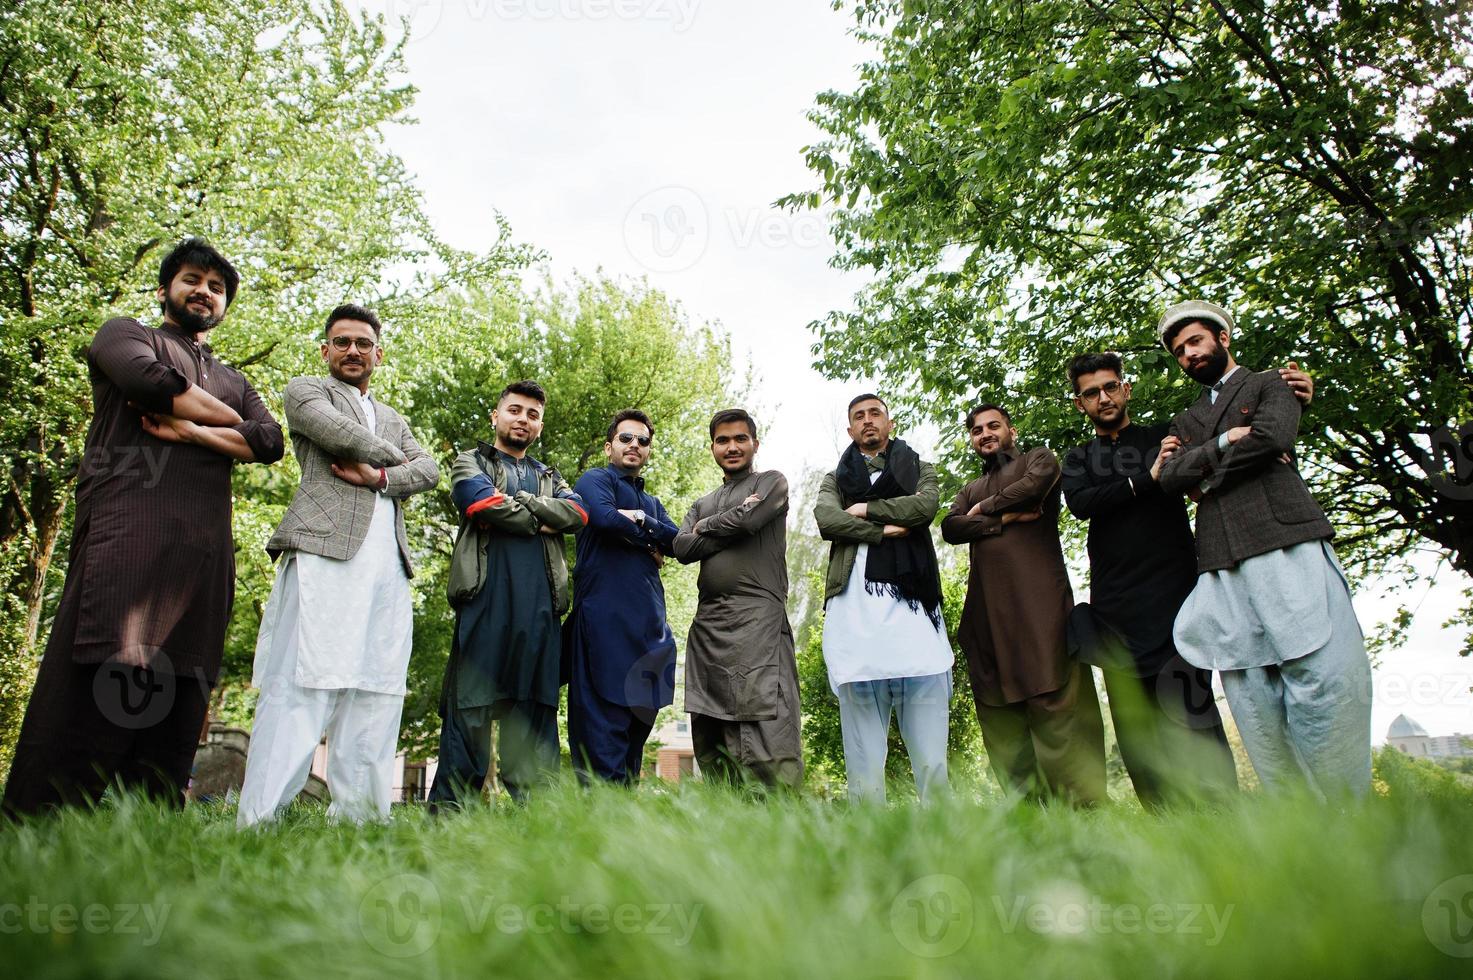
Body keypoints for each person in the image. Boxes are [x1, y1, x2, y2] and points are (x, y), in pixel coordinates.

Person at [3, 237, 284, 818]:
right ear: (165, 289)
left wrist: (194, 431)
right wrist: (232, 423)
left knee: (179, 700)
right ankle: (38, 833)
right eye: (191, 280)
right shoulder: (125, 334)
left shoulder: (233, 377)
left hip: (202, 560)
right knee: (97, 676)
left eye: (216, 287)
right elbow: (148, 383)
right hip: (127, 538)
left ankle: (147, 838)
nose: (204, 292)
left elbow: (271, 441)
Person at [1062, 352, 1314, 807]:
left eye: (1110, 386)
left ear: (1126, 388)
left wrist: (1297, 399)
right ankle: (1162, 822)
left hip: (1178, 595)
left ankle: (1221, 816)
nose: (1103, 397)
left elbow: (1232, 441)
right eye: (1091, 392)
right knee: (1135, 722)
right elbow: (1082, 502)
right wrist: (1148, 479)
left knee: (1192, 708)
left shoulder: (1167, 434)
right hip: (1115, 605)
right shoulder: (1078, 458)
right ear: (1079, 403)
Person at [1157, 300, 1372, 800]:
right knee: (1252, 696)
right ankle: (1294, 821)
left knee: (1322, 676)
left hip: (1285, 539)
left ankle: (1347, 812)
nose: (1188, 354)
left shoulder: (1274, 383)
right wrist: (1228, 440)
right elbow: (1169, 479)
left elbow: (1275, 435)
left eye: (1194, 342)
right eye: (1178, 351)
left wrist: (1204, 474)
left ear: (1222, 338)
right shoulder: (1184, 418)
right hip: (1220, 561)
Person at [236, 305, 439, 826]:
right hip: (323, 551)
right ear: (326, 350)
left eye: (363, 343)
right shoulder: (306, 390)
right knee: (302, 684)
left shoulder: (394, 414)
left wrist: (378, 478)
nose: (353, 350)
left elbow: (432, 470)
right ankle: (259, 819)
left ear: (379, 352)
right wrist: (400, 460)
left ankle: (362, 820)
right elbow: (336, 433)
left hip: (388, 565)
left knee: (376, 688)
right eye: (342, 341)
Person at [428, 380, 587, 806]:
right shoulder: (469, 462)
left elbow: (578, 513)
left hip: (540, 616)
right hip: (484, 607)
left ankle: (538, 830)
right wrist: (540, 511)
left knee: (535, 721)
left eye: (533, 415)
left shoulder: (550, 475)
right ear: (496, 416)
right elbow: (479, 504)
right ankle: (447, 823)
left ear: (540, 426)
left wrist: (517, 503)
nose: (524, 419)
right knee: (468, 717)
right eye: (515, 410)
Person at [941, 404, 1106, 805]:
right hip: (989, 619)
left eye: (993, 426)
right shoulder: (968, 489)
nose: (985, 434)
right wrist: (1002, 520)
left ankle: (1084, 811)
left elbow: (1034, 486)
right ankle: (1029, 812)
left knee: (1055, 704)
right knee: (1000, 713)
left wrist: (983, 510)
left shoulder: (1039, 458)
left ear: (1010, 430)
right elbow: (950, 527)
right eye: (977, 429)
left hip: (1041, 609)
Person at [814, 394, 953, 803]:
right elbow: (827, 518)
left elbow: (924, 506)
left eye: (875, 413)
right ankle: (867, 843)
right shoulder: (833, 480)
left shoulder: (919, 467)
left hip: (915, 627)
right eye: (859, 416)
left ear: (889, 422)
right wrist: (882, 531)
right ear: (850, 429)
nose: (868, 421)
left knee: (931, 761)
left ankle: (944, 840)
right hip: (854, 623)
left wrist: (863, 510)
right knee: (863, 763)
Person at [672, 409, 802, 789]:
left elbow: (749, 522)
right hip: (709, 628)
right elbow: (681, 546)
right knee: (712, 731)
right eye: (723, 440)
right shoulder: (702, 501)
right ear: (712, 446)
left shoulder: (772, 481)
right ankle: (724, 818)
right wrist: (733, 517)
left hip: (759, 623)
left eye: (740, 438)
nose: (732, 447)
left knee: (767, 725)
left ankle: (774, 820)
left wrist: (708, 527)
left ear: (754, 444)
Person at [565, 409, 680, 785]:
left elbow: (677, 541)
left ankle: (624, 830)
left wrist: (643, 522)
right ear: (609, 446)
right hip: (601, 624)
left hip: (649, 632)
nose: (634, 445)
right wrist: (651, 540)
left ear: (648, 451)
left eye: (643, 441)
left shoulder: (653, 502)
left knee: (635, 736)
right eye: (626, 438)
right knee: (600, 736)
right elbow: (601, 517)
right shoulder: (595, 479)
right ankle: (593, 829)